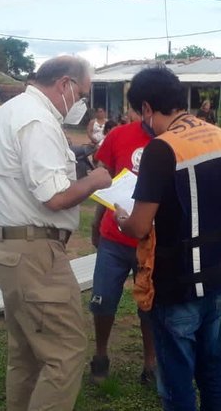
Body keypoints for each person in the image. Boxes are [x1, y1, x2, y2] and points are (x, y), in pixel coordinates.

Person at [0, 55, 112, 411]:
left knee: (26, 354)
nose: (82, 103)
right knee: (65, 352)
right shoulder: (37, 120)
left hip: (9, 246)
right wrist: (96, 180)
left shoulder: (13, 110)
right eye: (82, 93)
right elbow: (55, 197)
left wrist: (79, 163)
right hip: (34, 254)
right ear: (65, 84)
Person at [115, 66, 221, 411]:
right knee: (212, 368)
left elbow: (140, 226)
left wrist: (121, 218)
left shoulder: (161, 148)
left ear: (145, 108)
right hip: (216, 274)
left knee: (176, 381)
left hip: (176, 283)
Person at [89, 108, 156, 384]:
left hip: (150, 243)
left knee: (149, 305)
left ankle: (150, 363)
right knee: (103, 300)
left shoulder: (174, 141)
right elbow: (105, 181)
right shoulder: (118, 135)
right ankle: (100, 355)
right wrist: (96, 223)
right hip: (114, 239)